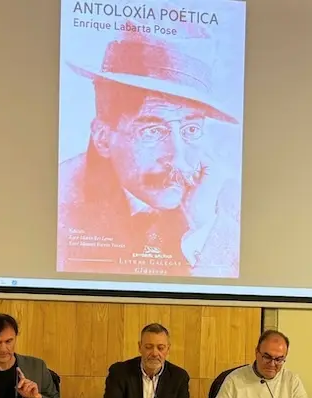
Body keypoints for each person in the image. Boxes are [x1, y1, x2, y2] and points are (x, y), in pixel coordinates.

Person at [57, 26, 241, 278]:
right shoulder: (62, 202)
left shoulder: (225, 204)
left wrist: (202, 222)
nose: (177, 157)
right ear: (102, 138)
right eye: (152, 131)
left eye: (190, 129)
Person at [102, 323, 190, 398]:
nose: (154, 353)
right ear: (140, 347)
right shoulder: (120, 372)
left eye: (160, 348)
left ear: (168, 349)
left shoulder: (178, 377)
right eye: (149, 347)